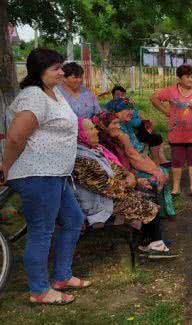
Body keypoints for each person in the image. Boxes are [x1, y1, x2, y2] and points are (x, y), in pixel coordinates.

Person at [1, 48, 88, 305]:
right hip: (37, 173)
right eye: (56, 69)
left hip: (56, 173)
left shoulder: (54, 93)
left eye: (61, 67)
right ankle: (39, 290)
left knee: (73, 220)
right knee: (41, 231)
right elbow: (16, 136)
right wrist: (5, 166)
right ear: (39, 72)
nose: (62, 72)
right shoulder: (33, 96)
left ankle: (62, 276)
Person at [73, 118, 176, 258]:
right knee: (147, 203)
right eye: (91, 129)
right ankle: (155, 244)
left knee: (147, 192)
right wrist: (131, 183)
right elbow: (107, 187)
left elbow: (118, 170)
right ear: (80, 134)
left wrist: (135, 179)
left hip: (111, 196)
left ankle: (151, 241)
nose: (96, 131)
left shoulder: (93, 150)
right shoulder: (81, 159)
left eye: (95, 128)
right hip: (99, 205)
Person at [150, 64, 192, 198]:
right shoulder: (170, 91)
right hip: (176, 133)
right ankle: (176, 188)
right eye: (187, 77)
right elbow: (154, 98)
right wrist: (165, 111)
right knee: (177, 160)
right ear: (179, 78)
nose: (190, 79)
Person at [93, 112, 175, 218]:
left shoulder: (117, 137)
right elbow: (118, 168)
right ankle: (152, 220)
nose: (118, 126)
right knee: (152, 181)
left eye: (118, 123)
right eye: (114, 123)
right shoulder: (101, 145)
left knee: (160, 173)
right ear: (103, 125)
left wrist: (155, 170)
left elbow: (135, 156)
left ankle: (160, 214)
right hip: (118, 182)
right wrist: (137, 179)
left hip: (129, 173)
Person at [105, 86, 167, 164]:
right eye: (117, 94)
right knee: (155, 138)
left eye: (122, 94)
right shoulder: (118, 125)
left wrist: (146, 121)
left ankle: (160, 160)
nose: (120, 96)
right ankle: (157, 161)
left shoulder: (127, 108)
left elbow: (137, 113)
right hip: (136, 134)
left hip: (139, 131)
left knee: (157, 137)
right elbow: (131, 152)